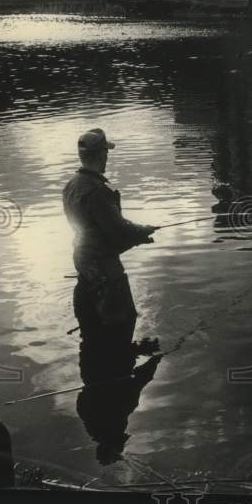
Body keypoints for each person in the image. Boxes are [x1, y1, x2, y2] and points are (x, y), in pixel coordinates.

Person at [62, 128, 157, 343]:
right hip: (106, 271)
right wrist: (143, 231)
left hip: (83, 265)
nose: (107, 157)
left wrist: (138, 236)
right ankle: (121, 368)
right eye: (106, 152)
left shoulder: (70, 187)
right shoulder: (98, 191)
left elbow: (96, 230)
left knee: (92, 332)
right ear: (102, 154)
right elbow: (118, 231)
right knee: (121, 326)